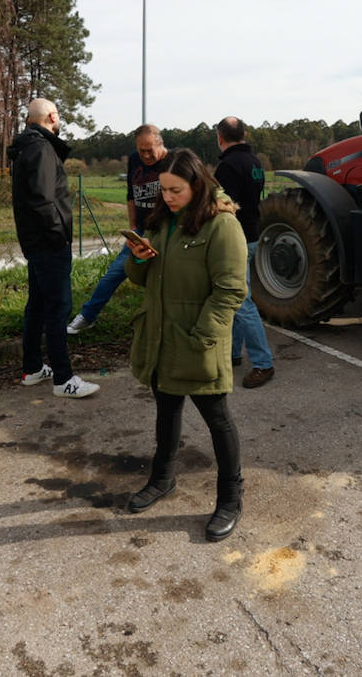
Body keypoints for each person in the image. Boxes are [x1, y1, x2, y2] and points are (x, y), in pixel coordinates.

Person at [123, 149, 248, 541]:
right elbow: (141, 281)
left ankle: (230, 499)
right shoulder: (163, 221)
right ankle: (162, 479)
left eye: (176, 190)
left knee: (217, 418)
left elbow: (231, 290)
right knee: (166, 410)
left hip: (197, 341)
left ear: (197, 185)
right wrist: (139, 258)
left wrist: (202, 337)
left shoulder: (221, 226)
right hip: (161, 338)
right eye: (163, 190)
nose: (168, 197)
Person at [8, 98, 100, 397]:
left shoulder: (27, 147)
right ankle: (64, 379)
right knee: (58, 307)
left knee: (37, 304)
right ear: (52, 116)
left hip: (35, 241)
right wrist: (59, 234)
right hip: (48, 242)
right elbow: (43, 199)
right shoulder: (42, 148)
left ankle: (33, 368)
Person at [67, 124, 170, 334]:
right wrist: (133, 225)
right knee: (115, 272)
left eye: (150, 150)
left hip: (167, 232)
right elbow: (131, 194)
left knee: (166, 278)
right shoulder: (134, 159)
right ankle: (88, 316)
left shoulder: (174, 161)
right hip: (142, 231)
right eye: (142, 150)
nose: (146, 155)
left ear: (160, 144)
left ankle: (165, 323)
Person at [214, 116, 275, 388]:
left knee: (242, 300)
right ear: (245, 134)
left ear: (220, 137)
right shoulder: (255, 163)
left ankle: (263, 364)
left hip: (236, 239)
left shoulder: (227, 166)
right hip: (253, 235)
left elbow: (224, 208)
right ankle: (232, 353)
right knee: (238, 296)